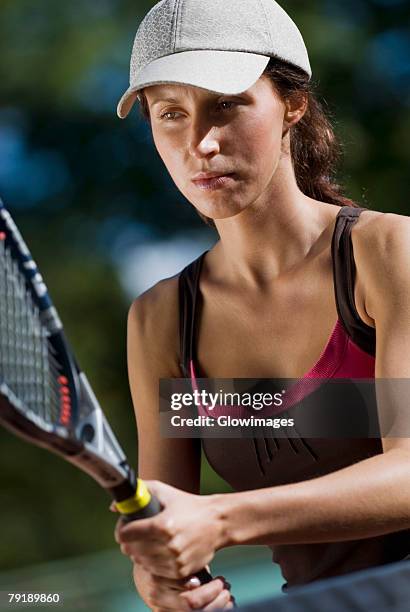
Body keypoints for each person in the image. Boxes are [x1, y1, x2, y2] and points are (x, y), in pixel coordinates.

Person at [113, 0, 410, 610]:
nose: (202, 141)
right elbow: (171, 530)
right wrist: (165, 582)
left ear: (292, 104)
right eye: (170, 114)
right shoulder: (160, 320)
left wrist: (220, 520)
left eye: (227, 103)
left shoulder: (390, 252)